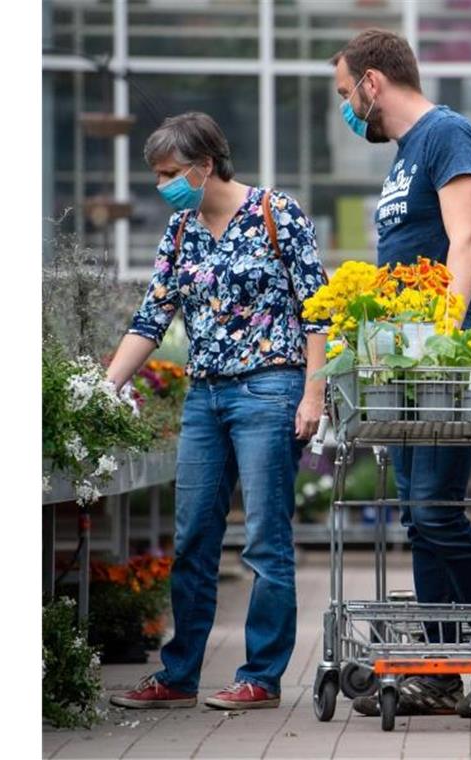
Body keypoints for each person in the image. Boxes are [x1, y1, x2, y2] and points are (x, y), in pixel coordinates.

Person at [104, 112, 330, 711]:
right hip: (204, 396)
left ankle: (261, 677)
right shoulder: (180, 230)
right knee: (194, 537)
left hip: (269, 389)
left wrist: (314, 393)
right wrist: (100, 388)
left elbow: (318, 310)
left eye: (171, 173)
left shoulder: (277, 215)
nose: (163, 186)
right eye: (157, 175)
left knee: (264, 540)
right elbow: (151, 319)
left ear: (205, 166)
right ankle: (179, 676)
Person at [331, 28, 471, 718]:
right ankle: (441, 670)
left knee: (438, 510)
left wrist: (441, 338)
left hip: (449, 356)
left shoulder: (448, 135)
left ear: (374, 82)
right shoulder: (407, 155)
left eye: (348, 94)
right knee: (420, 515)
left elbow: (466, 240)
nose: (348, 110)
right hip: (409, 362)